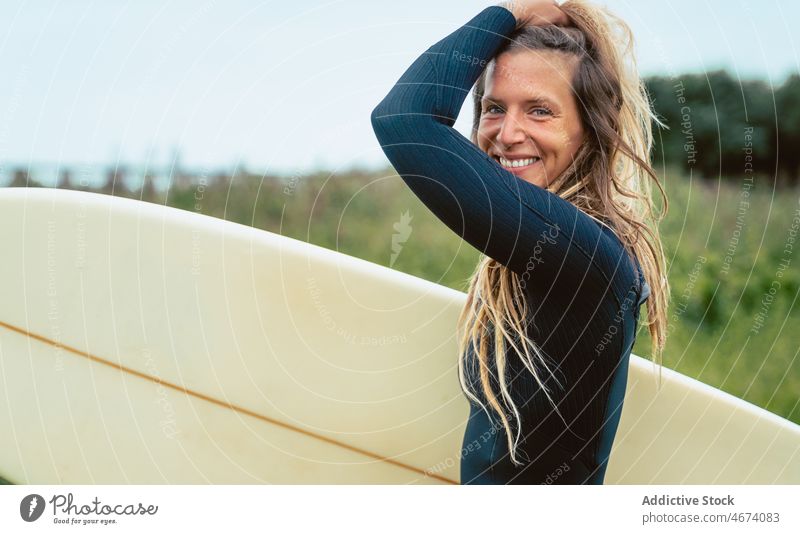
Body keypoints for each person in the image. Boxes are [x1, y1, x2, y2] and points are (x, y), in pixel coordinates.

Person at [370, 0, 670, 484]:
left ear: (591, 128)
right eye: (493, 108)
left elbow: (405, 120)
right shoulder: (557, 248)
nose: (507, 134)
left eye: (539, 110)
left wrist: (510, 10)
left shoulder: (582, 252)